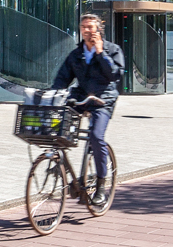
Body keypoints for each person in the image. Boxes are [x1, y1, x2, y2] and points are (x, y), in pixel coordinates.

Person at [49, 14, 122, 206]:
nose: (87, 30)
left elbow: (114, 75)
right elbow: (62, 78)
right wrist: (51, 96)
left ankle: (100, 186)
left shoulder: (112, 49)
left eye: (90, 27)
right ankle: (64, 168)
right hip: (81, 97)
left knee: (96, 137)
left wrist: (100, 54)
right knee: (56, 126)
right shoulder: (77, 54)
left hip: (103, 99)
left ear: (98, 29)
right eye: (83, 27)